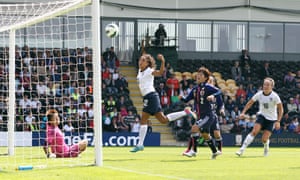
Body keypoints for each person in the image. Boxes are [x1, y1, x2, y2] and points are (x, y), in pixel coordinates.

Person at [130, 53, 197, 153]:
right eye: (140, 60)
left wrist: (163, 61)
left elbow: (161, 73)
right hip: (147, 97)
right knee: (163, 120)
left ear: (148, 63)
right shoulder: (140, 71)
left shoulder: (149, 71)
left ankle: (140, 144)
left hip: (151, 96)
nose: (140, 62)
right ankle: (185, 112)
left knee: (144, 119)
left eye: (143, 60)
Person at [178, 67, 223, 159]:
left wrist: (212, 95)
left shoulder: (207, 87)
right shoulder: (195, 89)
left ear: (206, 78)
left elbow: (219, 91)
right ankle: (215, 151)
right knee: (205, 135)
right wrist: (182, 98)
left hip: (208, 115)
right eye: (198, 74)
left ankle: (193, 151)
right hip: (200, 116)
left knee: (194, 128)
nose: (198, 76)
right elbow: (187, 99)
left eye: (201, 75)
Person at [235, 77, 283, 157]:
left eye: (268, 85)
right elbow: (250, 103)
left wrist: (278, 121)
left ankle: (266, 147)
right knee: (254, 131)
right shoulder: (259, 94)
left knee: (264, 139)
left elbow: (281, 109)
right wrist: (243, 113)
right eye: (264, 84)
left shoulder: (275, 96)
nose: (265, 86)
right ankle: (241, 149)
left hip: (271, 119)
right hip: (262, 116)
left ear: (271, 86)